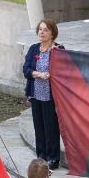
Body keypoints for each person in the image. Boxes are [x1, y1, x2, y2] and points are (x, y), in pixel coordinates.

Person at [22, 20, 61, 168]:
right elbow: (26, 70)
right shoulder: (33, 49)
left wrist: (51, 74)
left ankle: (53, 158)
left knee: (51, 127)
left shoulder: (58, 50)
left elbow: (64, 71)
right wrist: (37, 74)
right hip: (35, 95)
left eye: (45, 30)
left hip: (51, 96)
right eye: (40, 29)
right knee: (39, 127)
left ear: (52, 33)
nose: (41, 32)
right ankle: (41, 156)